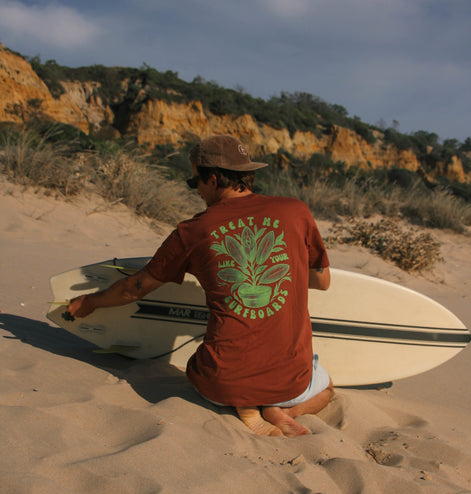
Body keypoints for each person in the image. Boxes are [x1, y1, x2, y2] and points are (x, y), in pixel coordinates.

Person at [68, 134, 333, 437]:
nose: (196, 191)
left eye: (194, 182)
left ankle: (244, 402)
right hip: (289, 383)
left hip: (218, 383)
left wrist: (90, 303)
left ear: (213, 179)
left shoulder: (192, 231)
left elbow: (136, 287)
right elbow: (322, 281)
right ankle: (281, 409)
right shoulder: (295, 211)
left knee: (203, 364)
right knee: (327, 390)